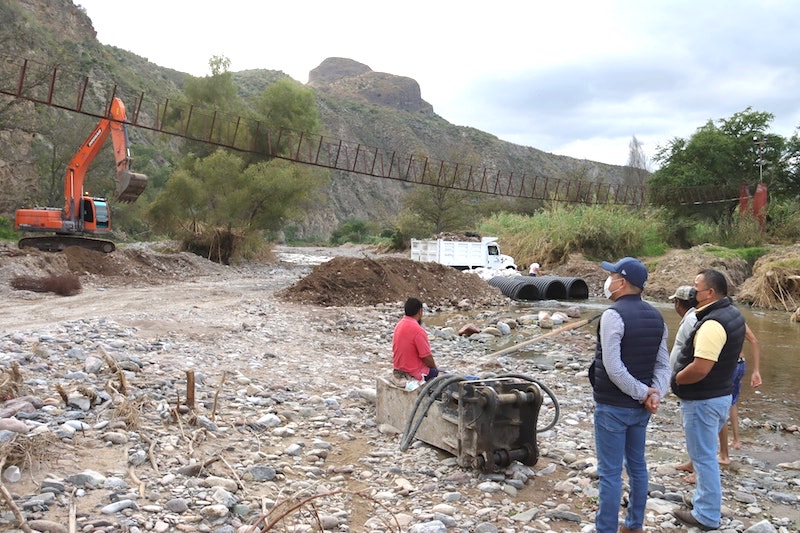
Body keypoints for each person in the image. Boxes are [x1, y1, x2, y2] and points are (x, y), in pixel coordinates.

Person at [589, 257, 671, 533]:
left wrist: (644, 393)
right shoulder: (657, 316)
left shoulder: (612, 315)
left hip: (613, 406)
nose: (608, 280)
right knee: (637, 466)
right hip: (641, 411)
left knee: (611, 473)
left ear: (621, 282)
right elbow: (663, 364)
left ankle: (606, 529)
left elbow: (613, 368)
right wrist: (654, 395)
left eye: (611, 275)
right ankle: (634, 524)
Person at [671, 269, 746, 530]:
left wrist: (677, 378)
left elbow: (701, 368)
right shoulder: (733, 313)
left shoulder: (713, 323)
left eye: (696, 287)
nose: (693, 292)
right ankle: (703, 502)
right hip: (720, 395)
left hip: (704, 400)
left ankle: (706, 516)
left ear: (710, 293)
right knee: (705, 455)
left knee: (703, 458)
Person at [675, 323, 762, 480]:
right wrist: (755, 370)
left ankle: (706, 463)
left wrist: (756, 371)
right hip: (740, 364)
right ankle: (729, 447)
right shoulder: (735, 319)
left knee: (717, 406)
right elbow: (754, 341)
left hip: (729, 367)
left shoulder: (721, 320)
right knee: (730, 404)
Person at [392, 297, 440, 384]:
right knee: (447, 378)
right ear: (420, 311)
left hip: (398, 370)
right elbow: (426, 357)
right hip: (414, 373)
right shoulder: (418, 330)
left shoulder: (399, 325)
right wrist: (435, 369)